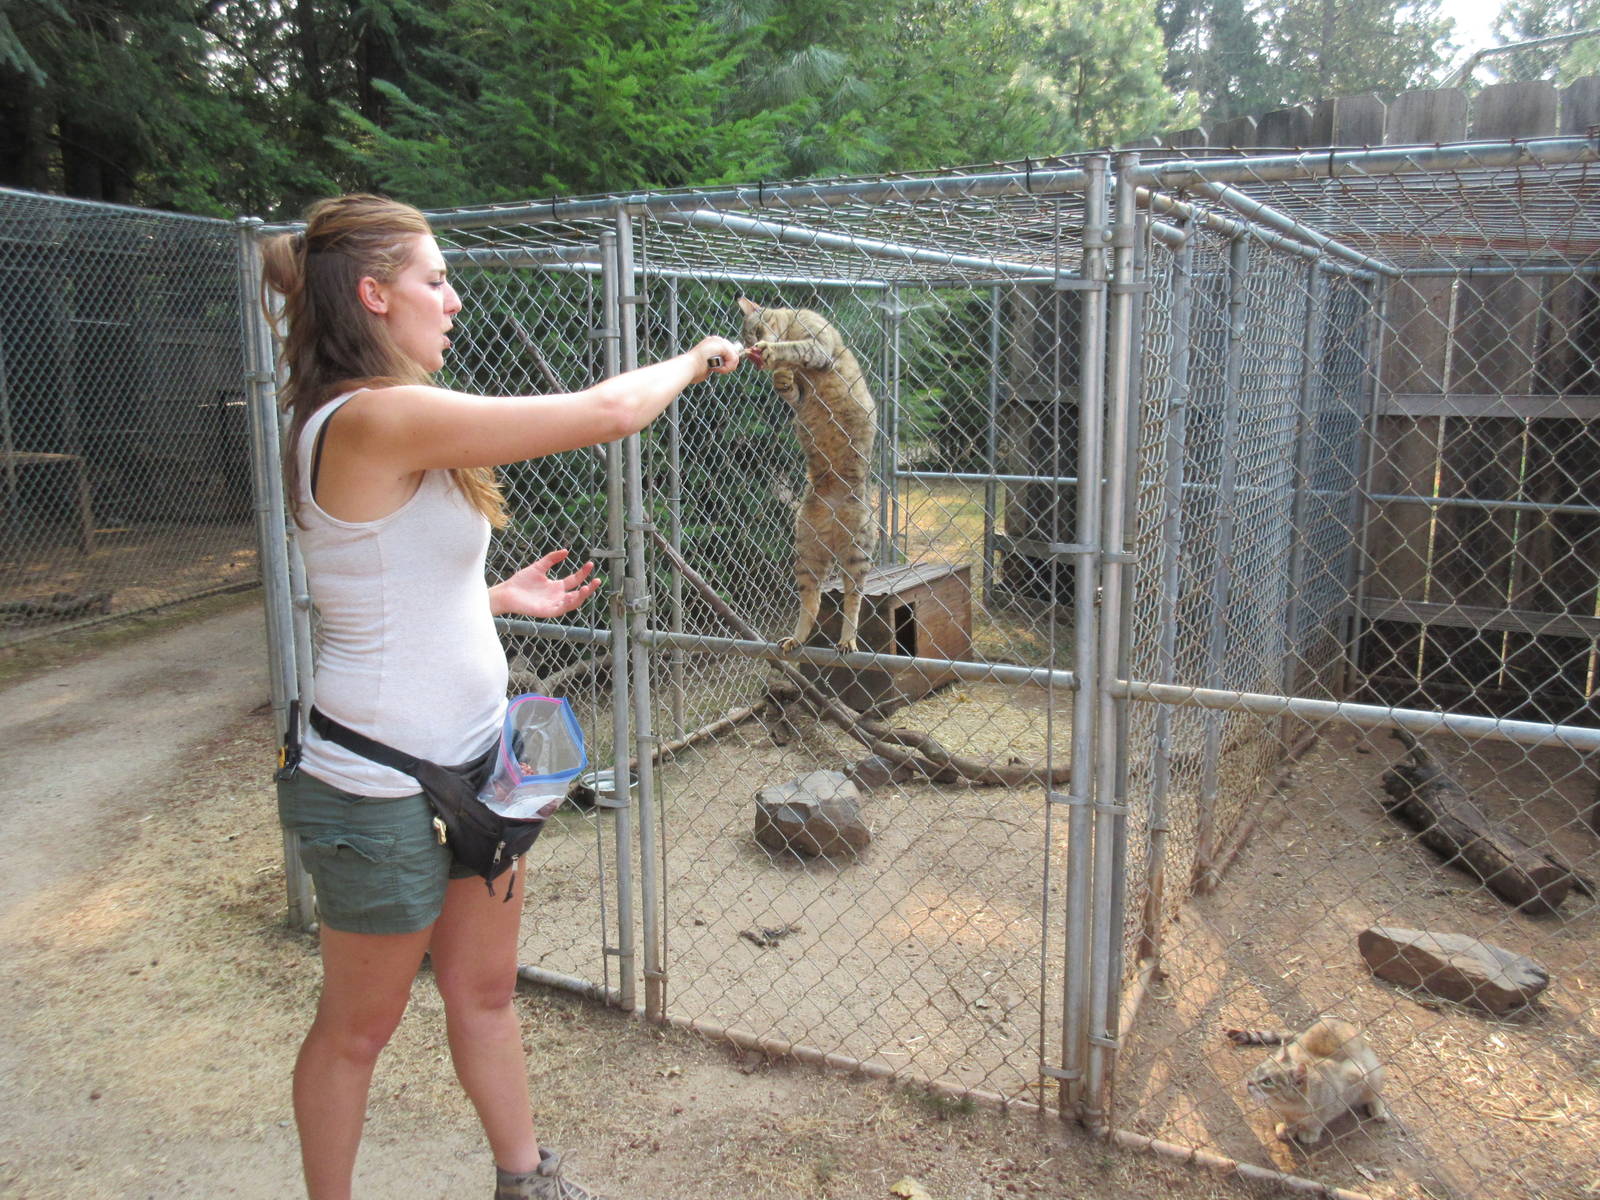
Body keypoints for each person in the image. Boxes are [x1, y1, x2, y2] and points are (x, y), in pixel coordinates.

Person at [260, 193, 740, 1200]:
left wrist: (492, 597)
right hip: (380, 790)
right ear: (372, 294)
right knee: (358, 1030)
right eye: (435, 280)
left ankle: (527, 1180)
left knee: (483, 993)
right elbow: (609, 413)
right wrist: (696, 357)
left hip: (486, 759)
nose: (454, 300)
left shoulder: (382, 413)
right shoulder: (370, 414)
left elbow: (383, 584)